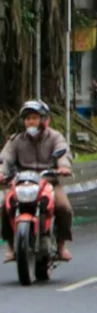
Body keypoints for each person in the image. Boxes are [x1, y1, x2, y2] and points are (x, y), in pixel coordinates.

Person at [1, 101, 74, 262]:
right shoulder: (16, 140)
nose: (31, 122)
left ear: (44, 120)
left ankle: (61, 246)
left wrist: (63, 167)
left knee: (64, 208)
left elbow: (63, 153)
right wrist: (1, 172)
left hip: (49, 183)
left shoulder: (55, 137)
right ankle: (12, 247)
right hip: (22, 183)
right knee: (5, 206)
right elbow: (5, 158)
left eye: (35, 118)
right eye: (28, 119)